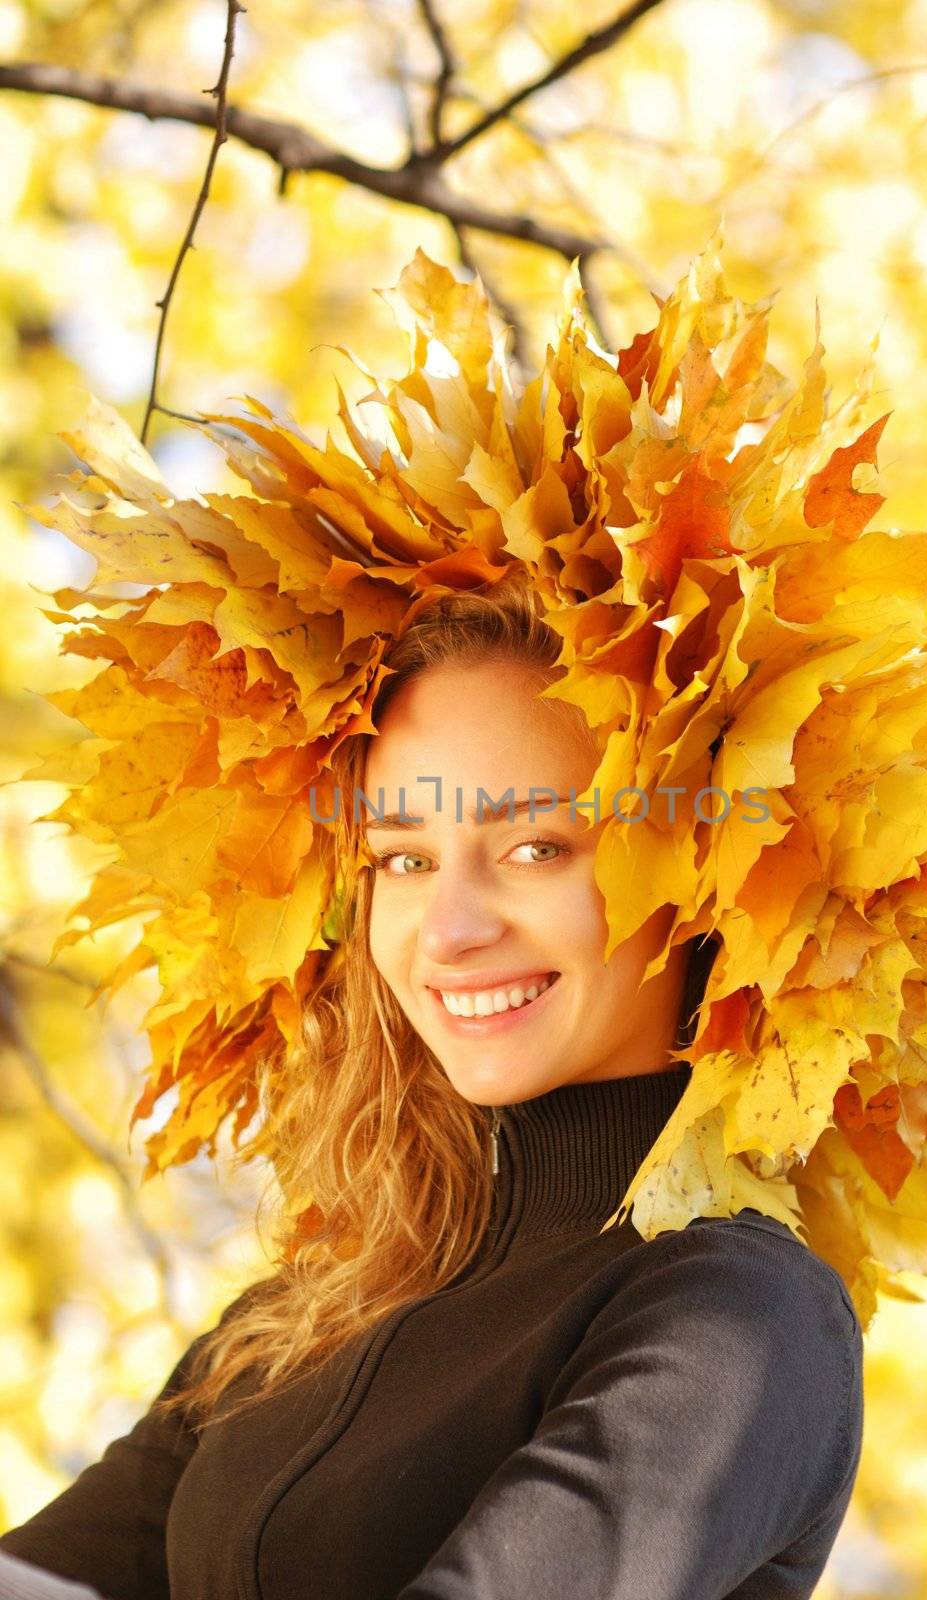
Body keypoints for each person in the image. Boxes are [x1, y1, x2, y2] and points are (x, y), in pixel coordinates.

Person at [0, 579, 864, 1600]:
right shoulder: (298, 1318)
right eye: (403, 857)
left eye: (536, 846)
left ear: (705, 877)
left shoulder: (741, 1316)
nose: (448, 930)